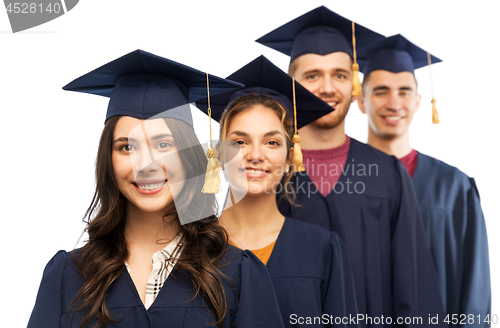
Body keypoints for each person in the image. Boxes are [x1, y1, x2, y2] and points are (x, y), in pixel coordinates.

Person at [27, 49, 285, 328]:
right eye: (127, 147)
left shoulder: (237, 275)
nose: (146, 164)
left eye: (163, 145)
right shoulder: (67, 276)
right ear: (108, 160)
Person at [257, 6, 446, 327]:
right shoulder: (264, 171)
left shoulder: (388, 174)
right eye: (312, 75)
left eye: (340, 75)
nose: (327, 87)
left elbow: (415, 288)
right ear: (290, 84)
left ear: (355, 85)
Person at [196, 55, 359, 328]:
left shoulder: (323, 249)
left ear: (288, 158)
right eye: (239, 141)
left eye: (271, 142)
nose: (255, 155)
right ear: (220, 155)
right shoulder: (192, 249)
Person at [357, 34, 491, 326]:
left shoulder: (455, 189)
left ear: (418, 102)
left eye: (404, 91)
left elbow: (475, 292)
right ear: (360, 101)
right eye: (381, 91)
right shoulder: (340, 185)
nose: (394, 103)